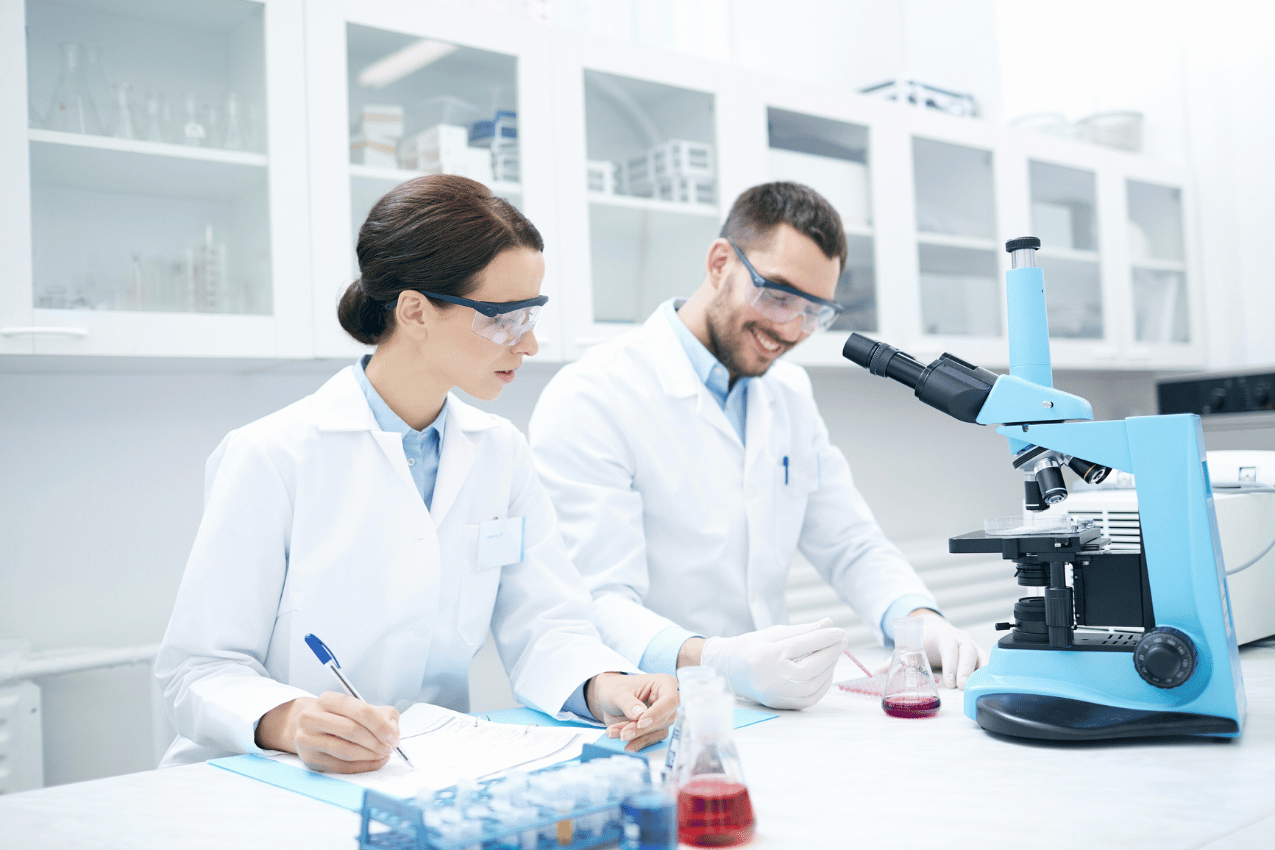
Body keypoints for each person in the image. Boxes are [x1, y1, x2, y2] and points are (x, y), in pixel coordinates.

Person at [155, 175, 677, 773]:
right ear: (414, 310)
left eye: (531, 314)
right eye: (503, 318)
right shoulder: (272, 455)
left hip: (427, 773)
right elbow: (198, 669)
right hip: (271, 781)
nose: (529, 344)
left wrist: (606, 683)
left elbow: (546, 625)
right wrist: (293, 721)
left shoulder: (500, 453)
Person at [528, 181, 988, 711]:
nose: (790, 328)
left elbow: (850, 543)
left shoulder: (787, 394)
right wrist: (716, 659)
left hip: (766, 706)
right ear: (721, 262)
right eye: (778, 295)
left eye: (814, 312)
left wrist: (916, 620)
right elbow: (598, 600)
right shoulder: (594, 394)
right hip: (649, 706)